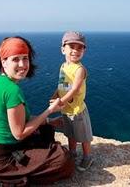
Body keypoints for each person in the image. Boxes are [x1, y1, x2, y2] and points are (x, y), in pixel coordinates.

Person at [0, 36, 74, 186]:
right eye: (15, 59)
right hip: (2, 159)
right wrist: (49, 111)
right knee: (65, 160)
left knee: (46, 130)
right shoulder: (12, 90)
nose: (22, 64)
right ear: (3, 62)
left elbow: (19, 119)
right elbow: (19, 133)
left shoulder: (1, 82)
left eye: (25, 58)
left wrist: (49, 121)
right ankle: (8, 180)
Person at [50, 31, 93, 172]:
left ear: (84, 51)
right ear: (63, 49)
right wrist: (55, 95)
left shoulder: (80, 69)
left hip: (77, 110)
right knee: (70, 133)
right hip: (66, 110)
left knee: (84, 136)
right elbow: (61, 85)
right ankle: (73, 152)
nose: (75, 50)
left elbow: (74, 90)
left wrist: (59, 102)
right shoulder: (63, 67)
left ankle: (87, 157)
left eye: (79, 47)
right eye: (71, 46)